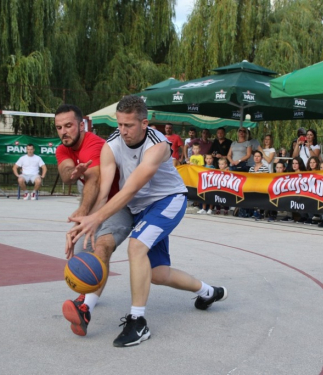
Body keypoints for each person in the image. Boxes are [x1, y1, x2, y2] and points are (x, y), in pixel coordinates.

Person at [68, 95, 227, 347]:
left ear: (144, 123)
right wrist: (87, 221)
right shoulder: (112, 145)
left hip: (168, 201)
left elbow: (129, 190)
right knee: (157, 274)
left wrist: (96, 218)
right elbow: (105, 189)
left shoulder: (158, 145)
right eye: (119, 124)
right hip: (141, 210)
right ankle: (209, 292)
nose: (123, 131)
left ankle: (138, 322)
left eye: (128, 125)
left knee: (136, 246)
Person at [54, 104, 134, 337]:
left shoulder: (95, 143)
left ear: (81, 125)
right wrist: (73, 171)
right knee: (82, 259)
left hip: (118, 205)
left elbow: (95, 181)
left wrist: (81, 215)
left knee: (102, 247)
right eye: (59, 127)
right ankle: (90, 296)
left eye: (68, 126)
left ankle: (84, 307)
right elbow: (66, 171)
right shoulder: (63, 149)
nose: (63, 131)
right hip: (95, 209)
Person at [248, 150, 269, 220]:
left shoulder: (265, 168)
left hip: (261, 187)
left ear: (261, 158)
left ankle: (260, 212)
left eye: (258, 156)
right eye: (255, 156)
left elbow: (265, 179)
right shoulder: (251, 168)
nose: (256, 158)